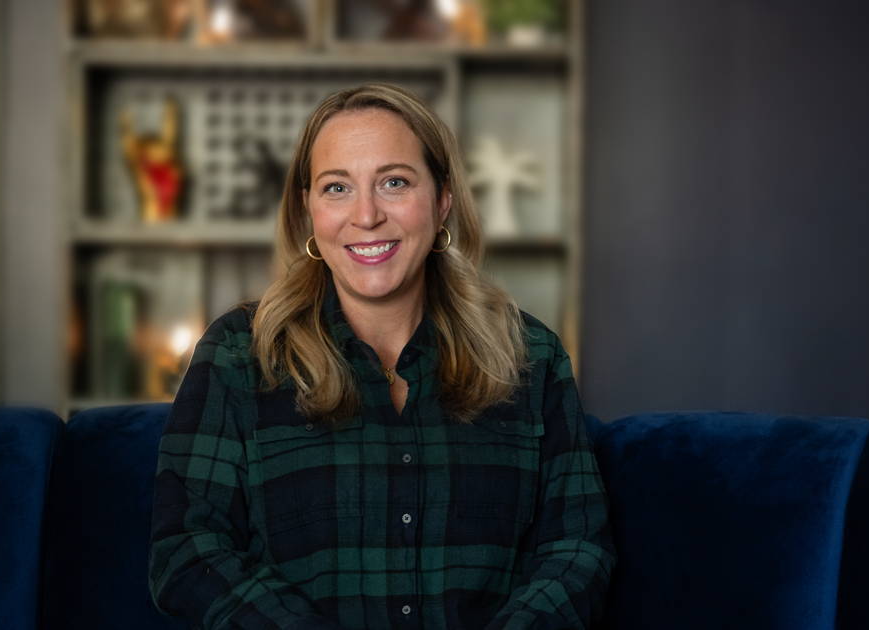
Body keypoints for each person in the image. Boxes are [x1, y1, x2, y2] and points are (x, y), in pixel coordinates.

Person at [149, 82, 615, 629]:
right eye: (336, 188)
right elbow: (188, 551)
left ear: (443, 199)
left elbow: (577, 551)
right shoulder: (238, 353)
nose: (366, 215)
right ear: (308, 209)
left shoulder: (530, 356)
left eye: (394, 182)